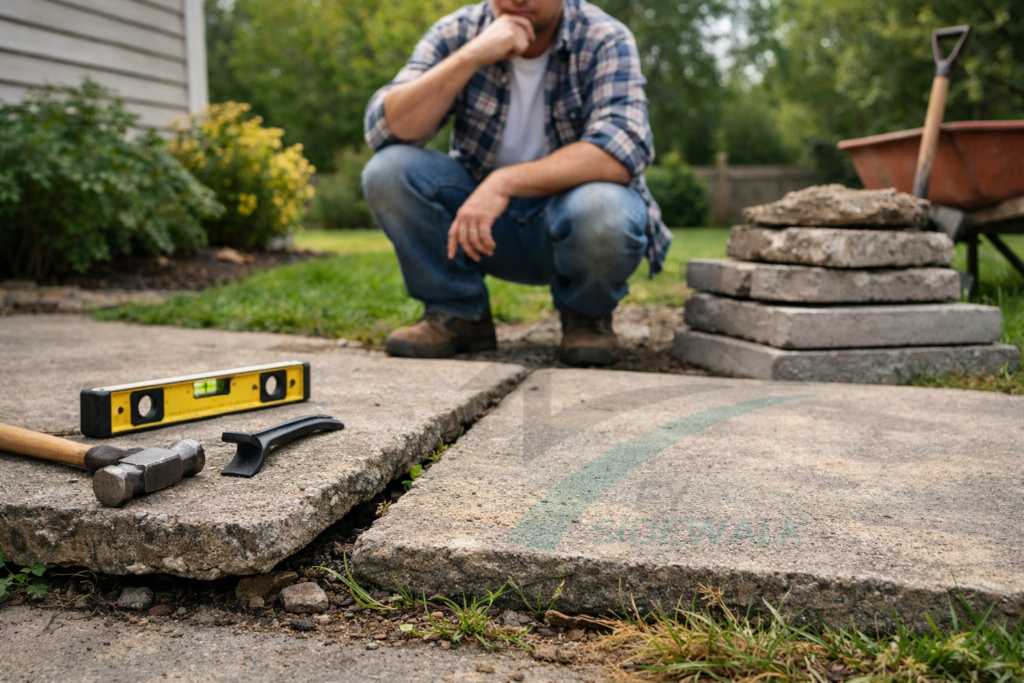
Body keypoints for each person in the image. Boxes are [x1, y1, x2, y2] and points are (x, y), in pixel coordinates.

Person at [361, 0, 669, 367]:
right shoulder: (458, 31)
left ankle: (587, 318)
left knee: (604, 208)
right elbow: (385, 129)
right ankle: (459, 314)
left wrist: (504, 182)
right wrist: (470, 56)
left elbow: (622, 151)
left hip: (572, 218)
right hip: (480, 227)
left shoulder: (604, 36)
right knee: (388, 170)